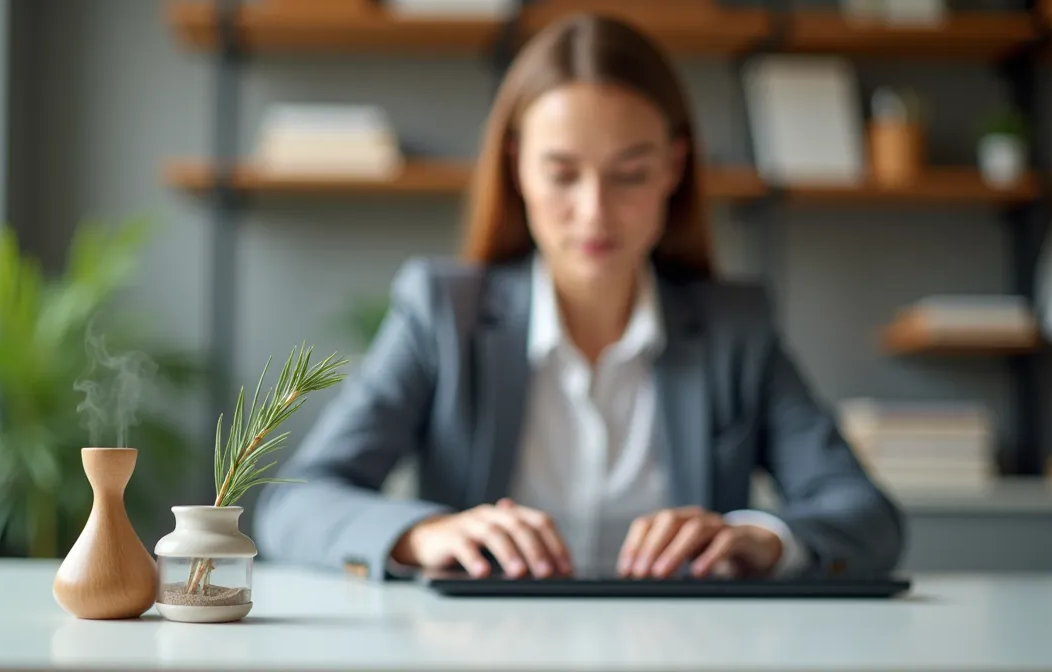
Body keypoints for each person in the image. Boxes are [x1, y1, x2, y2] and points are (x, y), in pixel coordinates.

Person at [254, 12, 904, 582]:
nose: (595, 211)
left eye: (630, 174)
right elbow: (293, 505)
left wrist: (765, 540)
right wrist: (424, 535)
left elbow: (866, 516)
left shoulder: (736, 328)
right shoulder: (442, 314)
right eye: (562, 173)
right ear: (517, 168)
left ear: (673, 169)